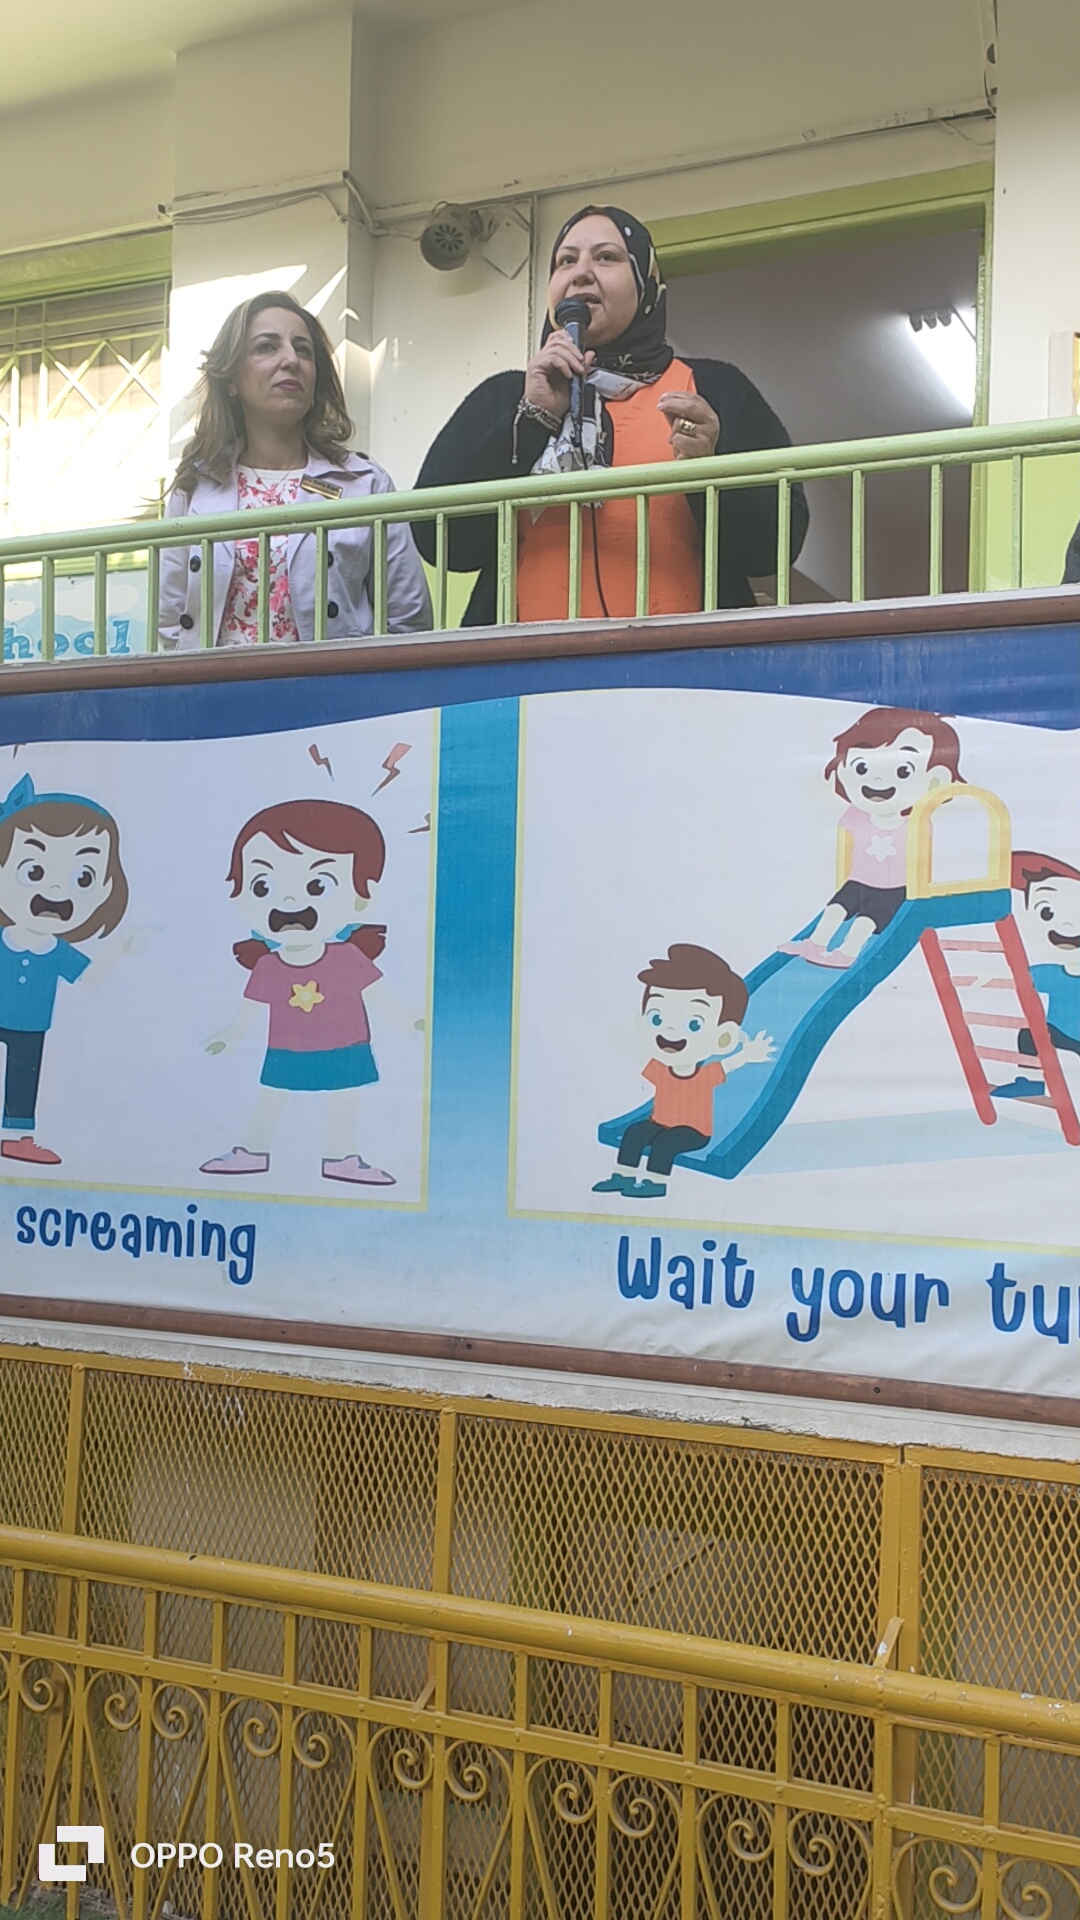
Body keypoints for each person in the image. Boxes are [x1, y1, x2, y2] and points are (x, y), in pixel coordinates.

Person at [413, 205, 807, 625]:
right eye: (566, 261)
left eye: (606, 257)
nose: (581, 273)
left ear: (645, 284)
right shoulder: (509, 396)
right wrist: (530, 421)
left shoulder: (713, 389)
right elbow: (440, 543)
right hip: (527, 664)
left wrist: (710, 472)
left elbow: (775, 548)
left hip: (684, 663)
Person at [160, 291, 430, 648]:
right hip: (218, 684)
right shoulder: (196, 485)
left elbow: (409, 620)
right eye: (266, 347)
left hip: (333, 684)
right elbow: (171, 622)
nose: (290, 360)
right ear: (231, 380)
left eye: (303, 350)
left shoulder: (365, 483)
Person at [592, 943, 774, 1200]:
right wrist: (625, 1037)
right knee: (634, 1133)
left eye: (694, 1024)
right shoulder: (661, 1070)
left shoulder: (704, 1075)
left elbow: (728, 1065)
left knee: (664, 1144)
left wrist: (748, 1054)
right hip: (659, 1123)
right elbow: (639, 1053)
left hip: (693, 1132)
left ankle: (655, 1182)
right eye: (657, 1019)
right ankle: (623, 1175)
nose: (670, 1031)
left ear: (723, 1038)